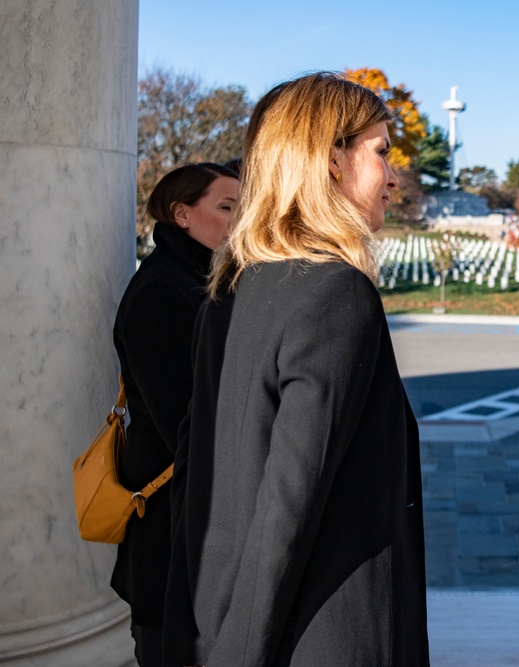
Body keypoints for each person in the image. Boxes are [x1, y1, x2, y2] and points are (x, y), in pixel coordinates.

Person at [163, 72, 429, 666]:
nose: (393, 177)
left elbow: (197, 474)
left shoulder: (232, 288)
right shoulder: (337, 292)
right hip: (319, 631)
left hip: (223, 610)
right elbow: (290, 501)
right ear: (332, 160)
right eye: (381, 153)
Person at [111, 162, 239, 666]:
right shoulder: (163, 290)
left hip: (194, 521)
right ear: (181, 214)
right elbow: (183, 423)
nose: (239, 218)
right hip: (171, 524)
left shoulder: (202, 280)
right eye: (226, 207)